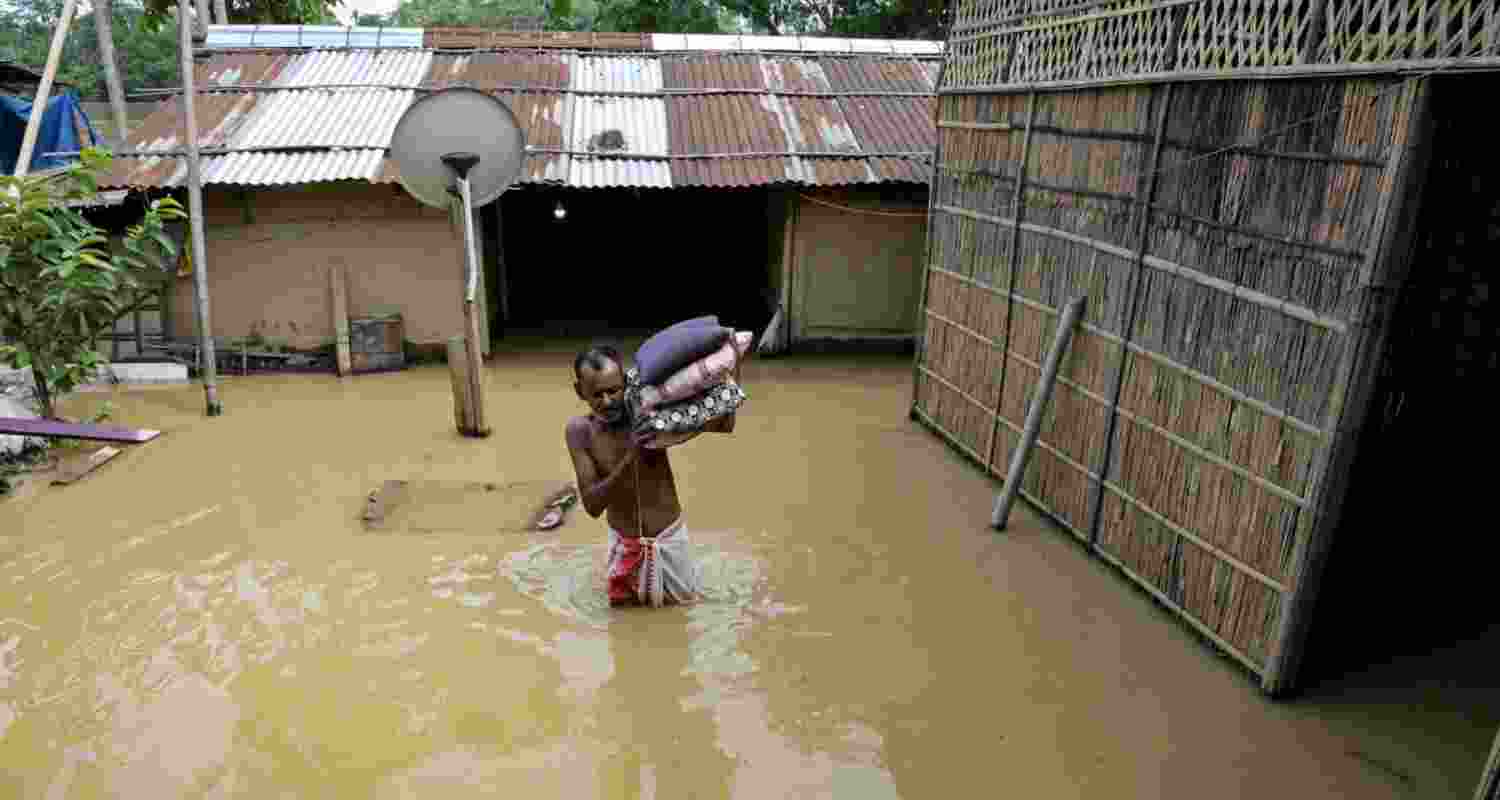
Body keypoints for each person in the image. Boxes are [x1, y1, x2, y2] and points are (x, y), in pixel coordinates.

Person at [564, 343, 735, 608]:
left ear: (625, 383)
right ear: (580, 391)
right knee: (622, 631)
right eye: (597, 394)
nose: (607, 401)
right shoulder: (580, 432)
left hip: (669, 539)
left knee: (682, 619)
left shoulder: (649, 411)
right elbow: (592, 505)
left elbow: (725, 423)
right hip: (624, 544)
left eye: (614, 390)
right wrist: (632, 453)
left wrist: (728, 373)